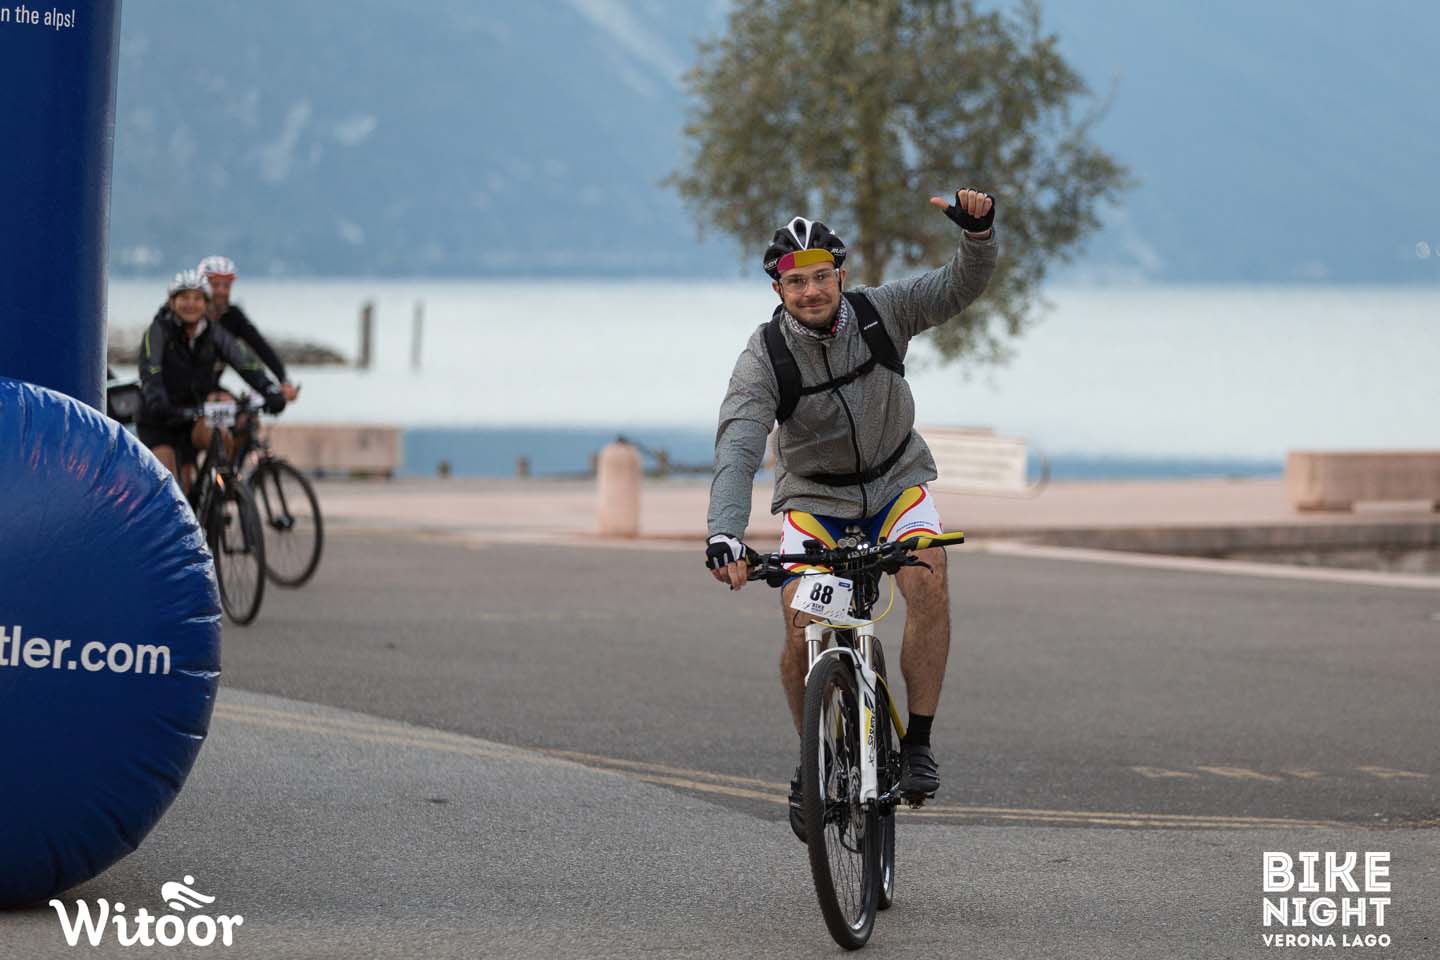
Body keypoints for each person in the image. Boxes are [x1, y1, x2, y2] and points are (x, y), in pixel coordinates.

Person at [704, 188, 997, 841]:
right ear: (778, 290)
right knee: (800, 623)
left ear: (840, 273)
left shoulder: (881, 312)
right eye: (795, 282)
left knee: (928, 576)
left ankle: (917, 742)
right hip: (816, 501)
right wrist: (725, 532)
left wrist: (977, 236)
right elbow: (740, 444)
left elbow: (957, 287)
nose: (810, 291)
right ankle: (812, 759)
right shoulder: (764, 357)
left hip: (896, 484)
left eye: (820, 276)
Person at [136, 270, 286, 488]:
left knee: (222, 437)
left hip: (196, 416)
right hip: (160, 422)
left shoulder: (213, 332)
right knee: (170, 487)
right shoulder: (157, 331)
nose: (191, 304)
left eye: (197, 298)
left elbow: (244, 361)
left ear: (206, 304)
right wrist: (160, 403)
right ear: (172, 302)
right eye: (184, 298)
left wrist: (269, 388)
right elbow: (151, 373)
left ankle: (218, 492)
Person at [197, 255, 300, 403]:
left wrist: (283, 381)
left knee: (245, 413)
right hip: (181, 389)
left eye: (226, 286)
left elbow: (261, 347)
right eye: (215, 285)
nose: (221, 291)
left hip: (211, 386)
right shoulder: (190, 318)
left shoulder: (233, 315)